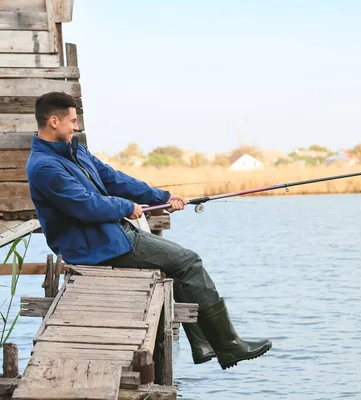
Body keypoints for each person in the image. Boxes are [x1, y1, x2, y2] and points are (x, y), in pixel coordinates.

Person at [26, 91, 271, 370]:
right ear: (54, 121)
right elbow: (85, 205)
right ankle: (229, 347)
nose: (76, 126)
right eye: (72, 121)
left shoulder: (74, 150)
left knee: (178, 263)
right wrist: (125, 206)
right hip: (94, 248)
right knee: (188, 262)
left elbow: (113, 178)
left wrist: (161, 198)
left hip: (112, 235)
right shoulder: (45, 166)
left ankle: (203, 345)